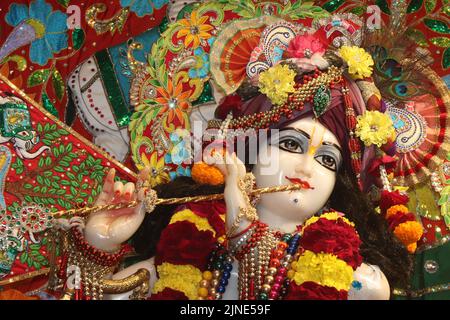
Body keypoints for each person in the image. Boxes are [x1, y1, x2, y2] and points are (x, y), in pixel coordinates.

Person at [59, 16, 412, 300]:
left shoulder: (361, 284)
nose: (307, 167)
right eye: (290, 145)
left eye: (327, 160)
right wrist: (97, 245)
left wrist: (244, 223)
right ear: (251, 154)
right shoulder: (188, 245)